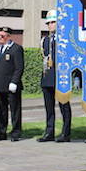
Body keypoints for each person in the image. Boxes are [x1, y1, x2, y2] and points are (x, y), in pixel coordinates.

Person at [37, 10, 71, 143]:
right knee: (49, 108)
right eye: (48, 23)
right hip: (47, 76)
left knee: (64, 106)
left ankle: (66, 133)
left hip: (60, 77)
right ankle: (49, 132)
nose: (50, 25)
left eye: (53, 22)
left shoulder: (64, 39)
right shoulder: (44, 40)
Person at [0, 27, 24, 142]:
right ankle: (1, 132)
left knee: (15, 110)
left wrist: (14, 81)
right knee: (1, 110)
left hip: (11, 86)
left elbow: (19, 68)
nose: (0, 38)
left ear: (9, 36)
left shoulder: (16, 49)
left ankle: (16, 132)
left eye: (3, 36)